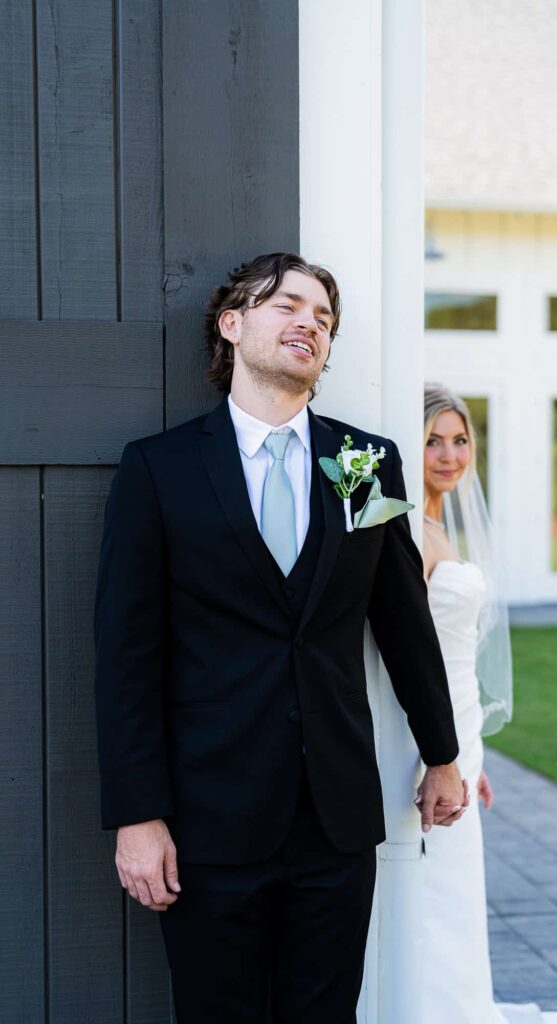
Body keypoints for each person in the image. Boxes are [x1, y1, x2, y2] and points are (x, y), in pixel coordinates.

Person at [94, 252, 468, 1024]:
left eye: (324, 318)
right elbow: (126, 657)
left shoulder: (361, 465)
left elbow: (403, 622)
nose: (310, 323)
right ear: (232, 326)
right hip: (206, 818)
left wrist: (443, 754)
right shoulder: (159, 470)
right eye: (287, 305)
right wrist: (138, 815)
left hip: (335, 817)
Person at [420, 383, 513, 1024]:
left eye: (460, 440)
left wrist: (468, 754)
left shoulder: (440, 527)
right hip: (424, 741)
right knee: (427, 884)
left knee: (455, 889)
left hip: (460, 732)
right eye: (432, 440)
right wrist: (438, 754)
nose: (450, 455)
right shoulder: (405, 529)